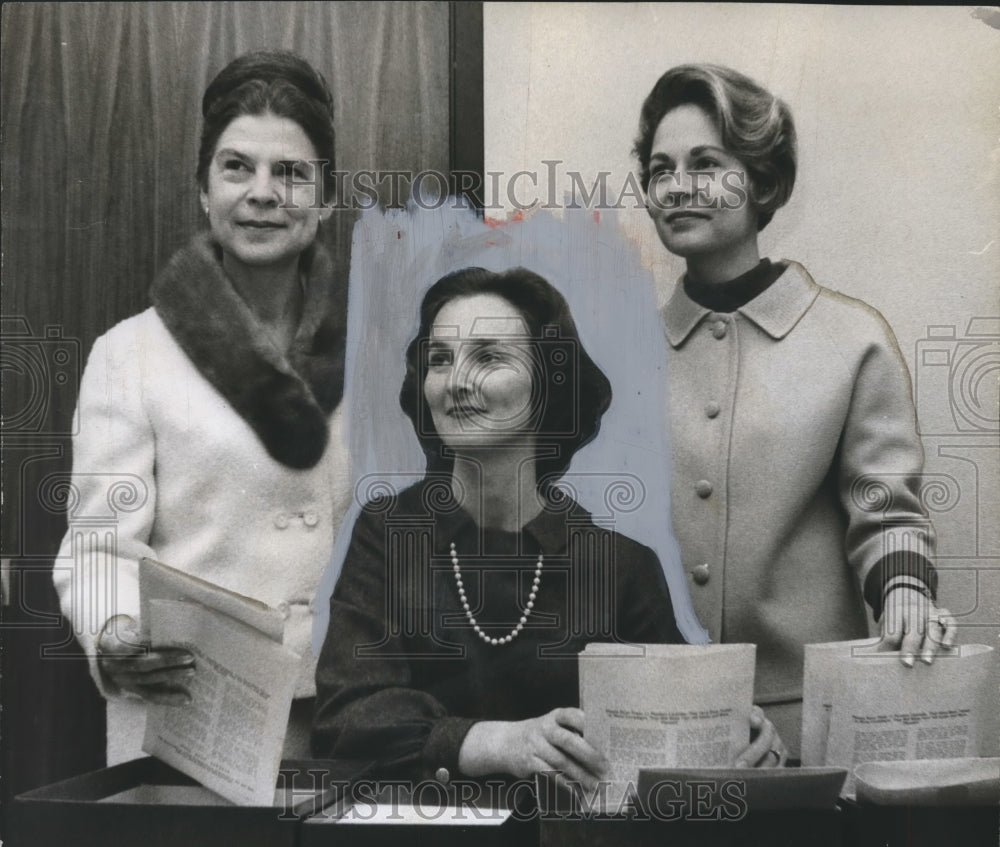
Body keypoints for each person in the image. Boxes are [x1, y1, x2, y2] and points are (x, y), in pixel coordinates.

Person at [312, 266, 785, 796]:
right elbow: (346, 717)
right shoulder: (389, 534)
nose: (455, 381)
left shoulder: (617, 563)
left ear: (548, 383)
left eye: (488, 357)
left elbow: (679, 723)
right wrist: (494, 743)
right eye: (439, 359)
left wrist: (737, 739)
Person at [633, 63, 957, 753]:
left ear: (762, 181)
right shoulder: (623, 359)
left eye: (706, 163)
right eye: (660, 170)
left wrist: (905, 591)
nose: (677, 187)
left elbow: (887, 510)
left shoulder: (852, 339)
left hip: (811, 728)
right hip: (659, 727)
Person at [53, 50, 351, 762]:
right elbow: (96, 551)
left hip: (346, 717)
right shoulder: (131, 354)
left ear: (327, 198)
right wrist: (117, 629)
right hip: (187, 715)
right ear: (202, 190)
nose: (262, 193)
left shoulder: (379, 346)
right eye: (236, 167)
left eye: (291, 173)